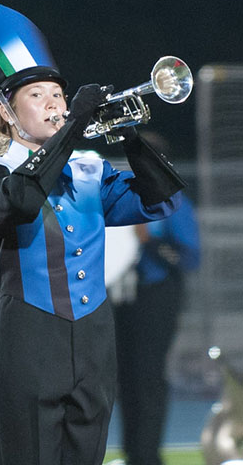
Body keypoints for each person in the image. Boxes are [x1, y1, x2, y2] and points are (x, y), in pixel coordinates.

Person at [0, 5, 187, 465]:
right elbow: (22, 199)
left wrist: (129, 137)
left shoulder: (90, 169)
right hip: (28, 345)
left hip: (94, 349)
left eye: (59, 95)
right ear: (5, 111)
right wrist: (75, 128)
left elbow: (161, 199)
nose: (54, 103)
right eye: (37, 94)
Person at [108, 132, 200, 465]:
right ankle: (133, 453)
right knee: (124, 378)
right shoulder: (118, 197)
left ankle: (147, 456)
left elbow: (190, 257)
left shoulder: (173, 201)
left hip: (157, 294)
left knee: (147, 376)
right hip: (120, 296)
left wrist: (149, 243)